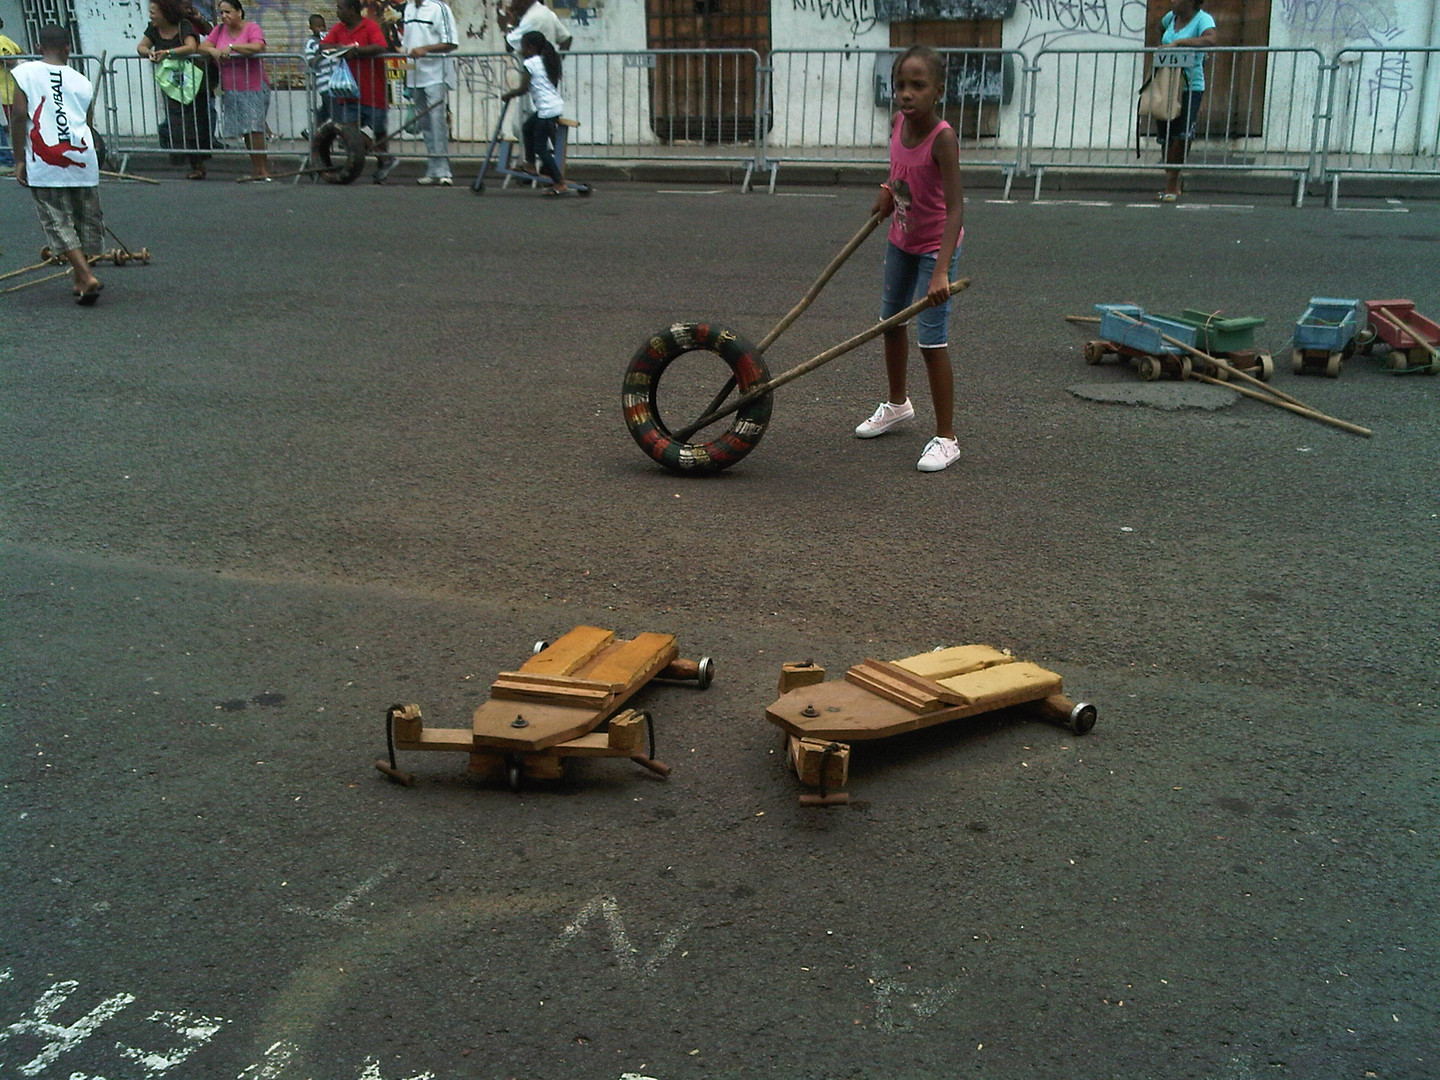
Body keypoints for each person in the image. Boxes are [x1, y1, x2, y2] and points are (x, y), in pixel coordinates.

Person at [855, 46, 965, 473]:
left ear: (937, 91)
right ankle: (898, 404)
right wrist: (888, 189)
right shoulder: (898, 123)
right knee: (890, 324)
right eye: (900, 85)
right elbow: (900, 169)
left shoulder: (943, 138)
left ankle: (947, 437)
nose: (906, 94)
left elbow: (955, 208)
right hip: (901, 237)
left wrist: (940, 271)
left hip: (936, 247)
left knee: (931, 341)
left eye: (917, 86)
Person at [9, 23, 105, 304]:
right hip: (81, 156)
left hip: (46, 160)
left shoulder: (24, 72)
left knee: (57, 219)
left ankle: (85, 276)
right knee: (85, 219)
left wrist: (18, 159)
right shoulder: (81, 80)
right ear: (68, 49)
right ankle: (80, 277)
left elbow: (18, 115)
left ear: (38, 48)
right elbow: (88, 123)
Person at [321, 0, 396, 183]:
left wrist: (356, 50)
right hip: (348, 91)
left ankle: (382, 168)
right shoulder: (338, 28)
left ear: (353, 10)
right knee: (348, 130)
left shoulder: (370, 26)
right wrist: (337, 49)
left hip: (373, 89)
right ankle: (386, 159)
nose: (337, 11)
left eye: (341, 7)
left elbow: (381, 46)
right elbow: (323, 45)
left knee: (379, 131)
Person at [138, 0, 213, 180]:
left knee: (195, 121)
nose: (151, 15)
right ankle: (184, 158)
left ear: (165, 12)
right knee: (176, 121)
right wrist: (148, 52)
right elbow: (141, 46)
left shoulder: (184, 25)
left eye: (154, 12)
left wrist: (168, 53)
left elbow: (191, 46)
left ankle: (198, 164)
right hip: (171, 84)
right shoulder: (153, 29)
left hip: (191, 83)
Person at [201, 0, 271, 180]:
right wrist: (214, 51)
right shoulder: (219, 30)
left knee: (255, 128)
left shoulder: (251, 28)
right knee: (246, 129)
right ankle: (256, 169)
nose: (224, 16)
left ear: (239, 12)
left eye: (228, 12)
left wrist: (233, 47)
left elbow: (258, 46)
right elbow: (203, 46)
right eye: (221, 12)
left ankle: (263, 169)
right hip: (232, 86)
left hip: (253, 85)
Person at [1156, 0, 1217, 201]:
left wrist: (1180, 43)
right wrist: (1164, 48)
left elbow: (1210, 39)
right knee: (1166, 133)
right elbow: (1161, 28)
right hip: (1166, 83)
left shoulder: (1202, 19)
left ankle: (1173, 183)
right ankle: (1170, 177)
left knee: (1182, 135)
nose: (1173, 1)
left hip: (1190, 86)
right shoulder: (1170, 18)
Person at [501, 30, 568, 194]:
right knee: (527, 127)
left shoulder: (530, 63)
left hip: (547, 109)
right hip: (550, 106)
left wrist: (509, 94)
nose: (521, 51)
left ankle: (559, 182)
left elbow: (523, 88)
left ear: (530, 48)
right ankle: (530, 165)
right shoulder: (545, 60)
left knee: (540, 148)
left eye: (522, 47)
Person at [400, 0, 457, 185]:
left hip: (436, 74)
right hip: (415, 74)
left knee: (437, 122)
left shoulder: (439, 8)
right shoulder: (408, 8)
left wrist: (425, 49)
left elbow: (451, 42)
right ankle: (433, 169)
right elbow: (408, 44)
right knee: (425, 124)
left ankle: (444, 171)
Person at [304, 12, 336, 132]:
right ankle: (342, 135)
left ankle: (310, 131)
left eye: (323, 26)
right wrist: (323, 54)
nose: (321, 29)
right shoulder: (311, 43)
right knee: (334, 110)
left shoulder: (328, 39)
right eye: (318, 26)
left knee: (326, 110)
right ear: (311, 28)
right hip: (324, 82)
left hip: (335, 80)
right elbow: (311, 61)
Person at [0, 18, 23, 174]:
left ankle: (10, 160)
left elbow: (12, 60)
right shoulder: (6, 39)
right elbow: (23, 53)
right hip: (8, 91)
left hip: (7, 92)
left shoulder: (1, 41)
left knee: (15, 127)